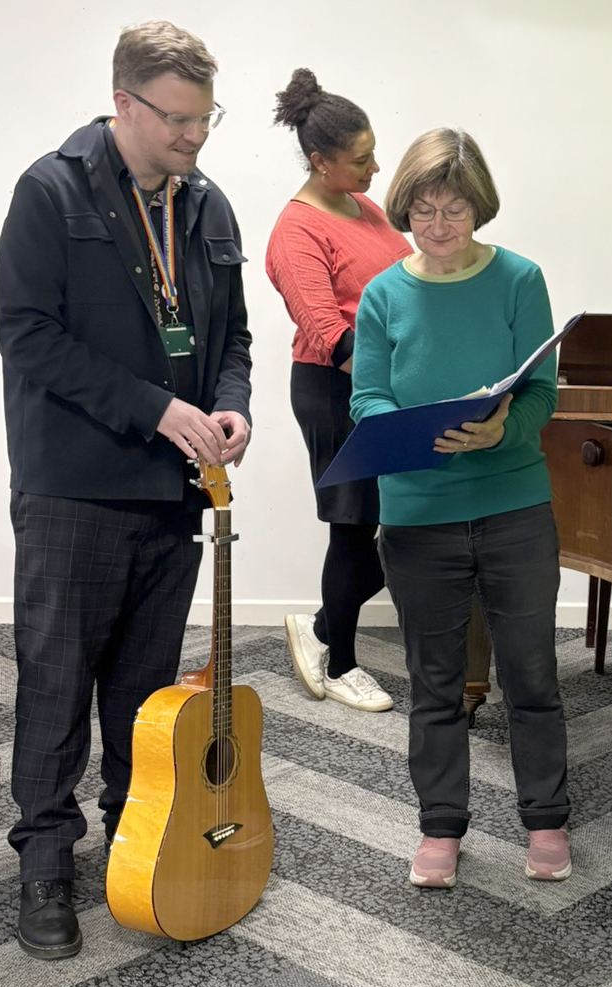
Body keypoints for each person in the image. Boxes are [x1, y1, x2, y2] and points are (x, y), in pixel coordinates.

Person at [0, 21, 252, 959]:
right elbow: (27, 334)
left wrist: (231, 410)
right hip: (75, 490)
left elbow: (233, 341)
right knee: (58, 683)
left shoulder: (208, 205)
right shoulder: (49, 191)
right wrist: (154, 409)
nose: (196, 138)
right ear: (125, 105)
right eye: (179, 120)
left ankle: (130, 839)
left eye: (205, 118)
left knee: (145, 697)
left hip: (176, 492)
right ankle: (44, 865)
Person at [350, 128, 571, 888]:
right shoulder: (382, 295)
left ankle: (546, 819)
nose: (439, 227)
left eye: (455, 210)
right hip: (417, 512)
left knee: (532, 674)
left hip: (513, 503)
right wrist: (407, 432)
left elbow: (543, 388)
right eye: (423, 210)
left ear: (480, 208)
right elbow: (368, 397)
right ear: (403, 207)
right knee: (434, 680)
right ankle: (440, 827)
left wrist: (506, 424)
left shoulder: (519, 280)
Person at [265, 69, 408, 713]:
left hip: (389, 384)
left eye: (374, 152)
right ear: (321, 162)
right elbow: (330, 334)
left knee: (402, 520)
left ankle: (321, 627)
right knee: (354, 524)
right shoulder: (295, 232)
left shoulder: (365, 207)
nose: (376, 167)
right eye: (361, 159)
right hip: (335, 387)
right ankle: (343, 662)